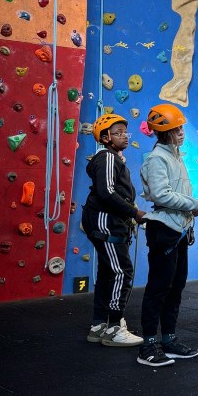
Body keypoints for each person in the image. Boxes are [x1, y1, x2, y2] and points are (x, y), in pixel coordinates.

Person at [137, 104, 198, 368]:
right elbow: (161, 195)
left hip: (179, 230)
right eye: (176, 129)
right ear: (164, 132)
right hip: (164, 230)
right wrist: (197, 205)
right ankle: (148, 345)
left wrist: (194, 207)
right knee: (159, 288)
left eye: (181, 128)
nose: (182, 132)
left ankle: (168, 340)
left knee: (176, 286)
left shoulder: (175, 156)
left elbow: (177, 194)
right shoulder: (156, 159)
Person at [83, 114, 146, 347]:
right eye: (118, 133)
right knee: (122, 272)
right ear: (105, 138)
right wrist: (134, 212)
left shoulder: (112, 158)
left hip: (107, 221)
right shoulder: (107, 158)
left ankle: (99, 325)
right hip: (105, 222)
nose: (124, 136)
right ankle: (115, 328)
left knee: (108, 272)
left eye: (125, 132)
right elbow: (107, 192)